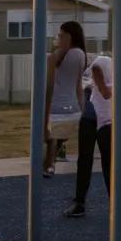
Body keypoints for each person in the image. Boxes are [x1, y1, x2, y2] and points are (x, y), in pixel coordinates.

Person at [63, 53, 112, 217]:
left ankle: (114, 202)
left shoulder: (102, 68)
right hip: (90, 120)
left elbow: (105, 91)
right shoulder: (88, 78)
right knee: (85, 160)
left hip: (105, 121)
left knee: (107, 162)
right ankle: (80, 202)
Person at [44, 21, 87, 177]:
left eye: (61, 35)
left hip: (56, 107)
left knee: (51, 138)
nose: (58, 38)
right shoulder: (81, 54)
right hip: (72, 107)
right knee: (56, 137)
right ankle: (51, 161)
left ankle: (49, 164)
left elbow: (49, 84)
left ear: (69, 36)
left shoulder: (59, 55)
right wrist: (82, 108)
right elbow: (78, 86)